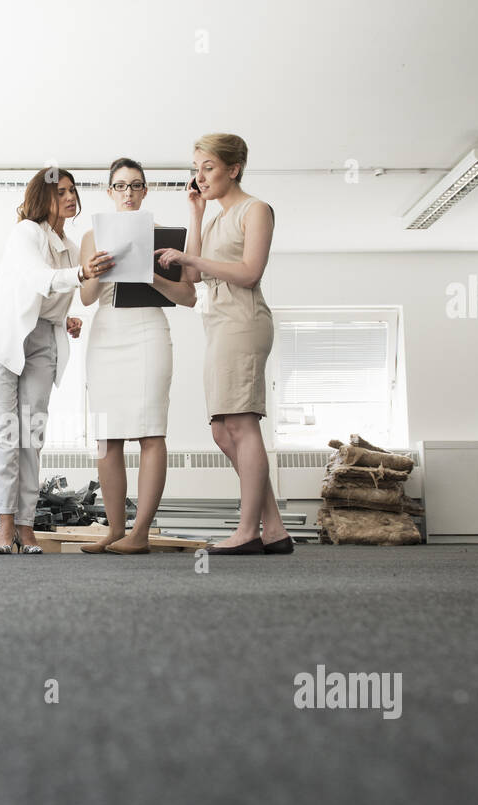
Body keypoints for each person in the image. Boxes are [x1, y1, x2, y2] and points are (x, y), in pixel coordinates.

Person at [156, 133, 293, 555]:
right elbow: (193, 279)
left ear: (234, 169)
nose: (200, 176)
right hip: (218, 325)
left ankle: (248, 530)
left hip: (244, 322)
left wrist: (190, 259)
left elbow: (250, 272)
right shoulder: (214, 218)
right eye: (197, 169)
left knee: (242, 423)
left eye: (209, 167)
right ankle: (274, 529)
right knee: (221, 431)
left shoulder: (256, 210)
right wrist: (195, 213)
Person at [0, 168, 112, 554]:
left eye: (72, 191)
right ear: (42, 196)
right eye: (60, 191)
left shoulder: (67, 244)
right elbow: (36, 277)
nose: (69, 197)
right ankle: (3, 528)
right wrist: (81, 273)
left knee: (30, 436)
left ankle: (26, 527)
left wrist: (64, 316)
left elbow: (48, 297)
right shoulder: (25, 233)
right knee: (4, 435)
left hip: (41, 342)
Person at [77, 158, 195, 554]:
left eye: (136, 185)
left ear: (146, 191)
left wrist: (150, 273)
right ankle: (114, 530)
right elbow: (87, 298)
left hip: (148, 331)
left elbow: (188, 297)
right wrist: (95, 271)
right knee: (106, 438)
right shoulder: (92, 237)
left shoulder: (166, 236)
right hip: (106, 332)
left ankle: (140, 533)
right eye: (121, 186)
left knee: (150, 432)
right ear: (110, 192)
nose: (128, 192)